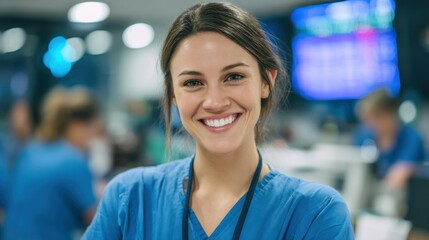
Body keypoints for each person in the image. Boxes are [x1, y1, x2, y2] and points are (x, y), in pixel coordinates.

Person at [84, 3, 353, 239]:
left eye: (233, 77)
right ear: (173, 94)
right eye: (193, 82)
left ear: (266, 82)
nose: (214, 101)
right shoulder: (130, 198)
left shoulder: (315, 213)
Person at [3, 87, 99, 240]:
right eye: (91, 133)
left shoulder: (30, 151)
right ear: (78, 127)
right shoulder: (73, 160)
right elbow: (97, 222)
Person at [356, 89, 425, 189]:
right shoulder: (364, 137)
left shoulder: (412, 138)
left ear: (391, 115)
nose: (370, 124)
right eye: (368, 118)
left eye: (376, 117)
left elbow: (399, 175)